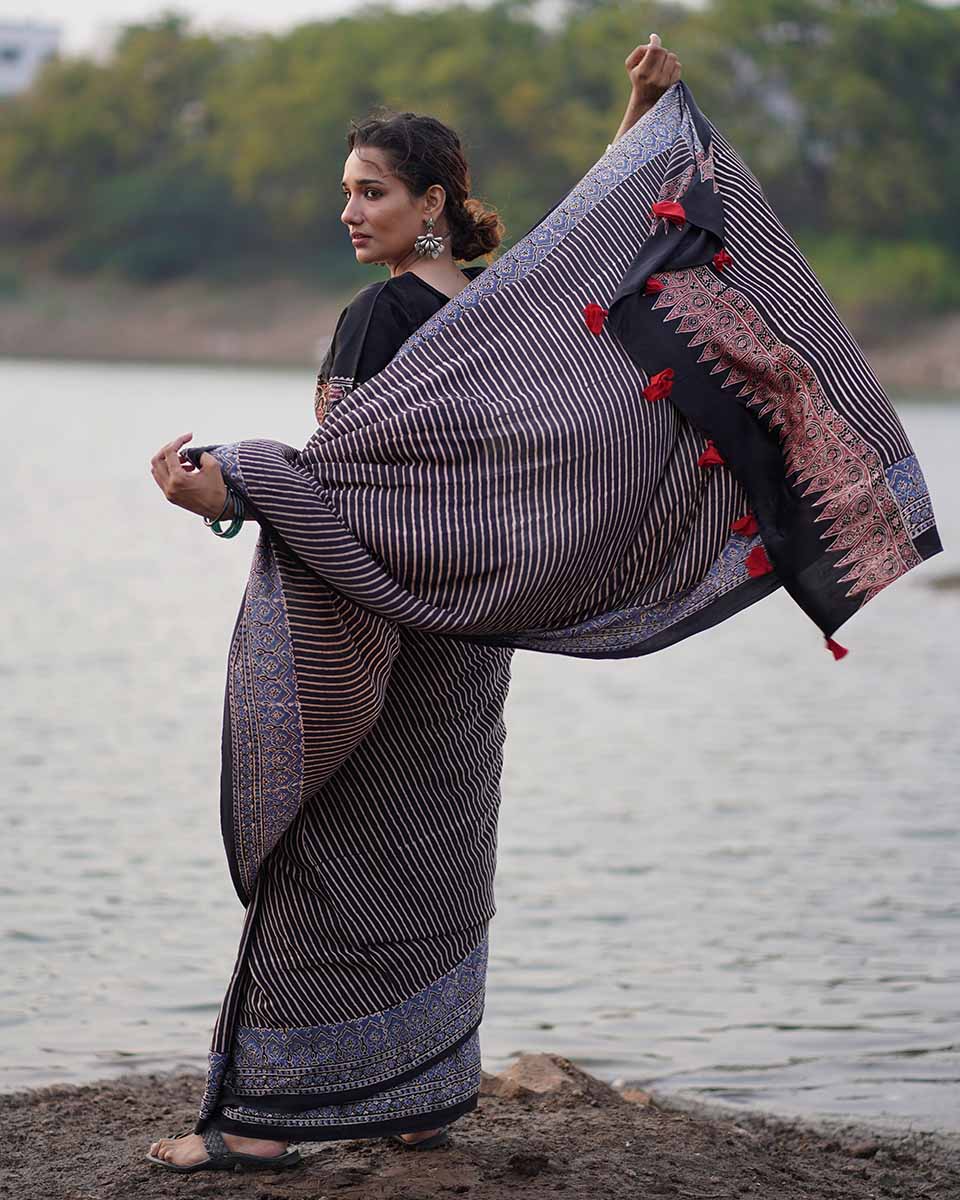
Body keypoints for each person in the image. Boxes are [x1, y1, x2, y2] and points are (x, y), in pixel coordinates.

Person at [146, 35, 682, 1173]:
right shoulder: (500, 311)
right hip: (474, 625)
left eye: (373, 192)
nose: (351, 212)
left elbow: (343, 488)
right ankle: (421, 1098)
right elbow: (597, 234)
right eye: (346, 192)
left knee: (324, 853)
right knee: (437, 855)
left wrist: (227, 487)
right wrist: (636, 111)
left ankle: (259, 1125)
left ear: (433, 201)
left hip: (377, 628)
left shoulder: (376, 319)